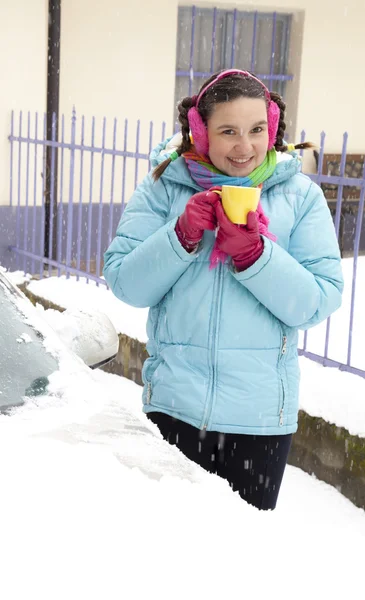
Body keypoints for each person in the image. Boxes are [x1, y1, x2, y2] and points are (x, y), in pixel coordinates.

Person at [103, 69, 344, 510]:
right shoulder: (163, 189)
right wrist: (180, 235)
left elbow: (317, 301)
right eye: (228, 131)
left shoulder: (300, 197)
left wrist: (255, 256)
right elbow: (125, 282)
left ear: (271, 129)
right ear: (201, 132)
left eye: (255, 130)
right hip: (174, 411)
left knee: (241, 564)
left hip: (258, 425)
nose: (245, 146)